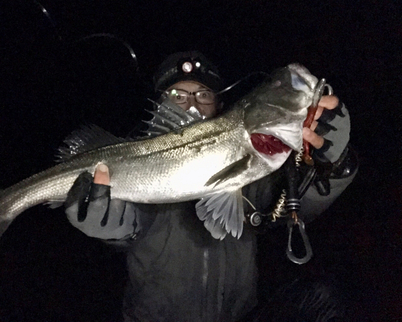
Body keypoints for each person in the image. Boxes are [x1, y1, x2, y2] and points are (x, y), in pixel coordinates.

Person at [65, 51, 357, 322]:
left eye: (203, 93)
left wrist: (334, 164)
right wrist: (112, 226)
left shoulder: (253, 164)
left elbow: (297, 208)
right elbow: (132, 222)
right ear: (159, 108)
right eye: (177, 94)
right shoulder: (138, 162)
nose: (191, 103)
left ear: (219, 103)